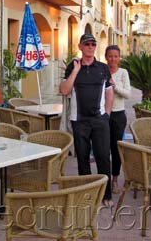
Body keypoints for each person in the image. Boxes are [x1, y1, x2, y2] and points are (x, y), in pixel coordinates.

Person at [60, 33, 114, 206]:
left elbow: (109, 91)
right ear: (80, 47)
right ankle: (87, 195)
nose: (90, 47)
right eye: (87, 44)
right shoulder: (72, 67)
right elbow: (64, 90)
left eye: (93, 44)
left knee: (103, 157)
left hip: (100, 120)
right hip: (79, 121)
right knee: (82, 159)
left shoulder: (103, 68)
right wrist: (76, 70)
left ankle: (106, 195)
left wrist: (107, 114)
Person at [105, 45, 131, 194]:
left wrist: (115, 87)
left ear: (119, 58)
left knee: (115, 149)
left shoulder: (123, 73)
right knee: (102, 148)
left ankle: (115, 179)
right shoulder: (102, 70)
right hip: (103, 115)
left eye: (115, 56)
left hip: (118, 115)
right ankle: (104, 179)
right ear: (106, 57)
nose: (113, 59)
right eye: (110, 56)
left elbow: (128, 94)